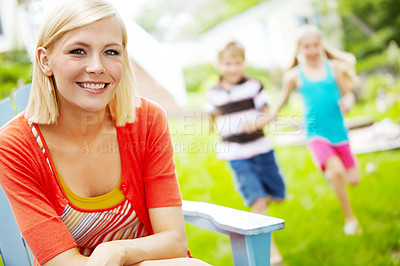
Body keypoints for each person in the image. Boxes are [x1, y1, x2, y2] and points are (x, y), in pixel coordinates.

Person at [0, 0, 210, 265]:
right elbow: (59, 261)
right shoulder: (16, 145)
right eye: (78, 51)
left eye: (111, 52)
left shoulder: (147, 120)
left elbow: (174, 241)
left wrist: (118, 251)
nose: (97, 66)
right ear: (45, 61)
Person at [266, 24, 361, 235]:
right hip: (315, 132)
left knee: (353, 179)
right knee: (336, 172)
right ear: (299, 49)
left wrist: (348, 101)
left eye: (315, 45)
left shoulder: (334, 68)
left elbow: (349, 94)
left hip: (338, 131)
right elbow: (280, 102)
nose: (311, 50)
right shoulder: (294, 76)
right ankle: (350, 218)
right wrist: (267, 117)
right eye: (306, 46)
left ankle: (334, 175)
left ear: (321, 45)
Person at [205, 40, 286, 265]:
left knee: (277, 194)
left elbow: (268, 113)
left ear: (244, 63)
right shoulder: (214, 93)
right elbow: (212, 115)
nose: (233, 68)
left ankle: (266, 199)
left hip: (261, 149)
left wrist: (260, 121)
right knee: (258, 200)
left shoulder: (254, 86)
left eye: (237, 63)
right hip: (236, 153)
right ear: (220, 65)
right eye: (228, 63)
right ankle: (272, 254)